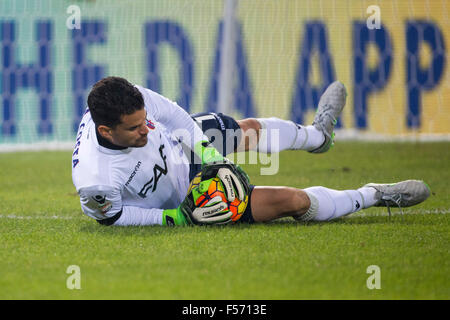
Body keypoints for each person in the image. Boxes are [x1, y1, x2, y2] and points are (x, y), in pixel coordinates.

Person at [71, 76, 430, 226]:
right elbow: (112, 218)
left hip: (182, 148)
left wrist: (208, 154)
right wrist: (176, 218)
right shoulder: (95, 178)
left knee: (247, 132)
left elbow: (175, 115)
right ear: (106, 131)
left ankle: (317, 135)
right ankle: (374, 194)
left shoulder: (131, 97)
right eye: (133, 129)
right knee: (294, 202)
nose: (144, 131)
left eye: (143, 121)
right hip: (190, 202)